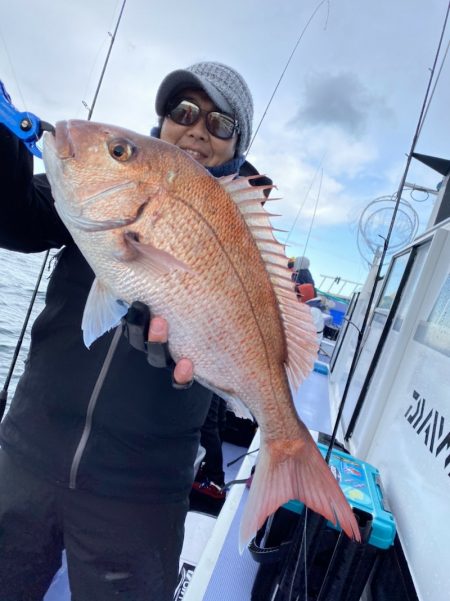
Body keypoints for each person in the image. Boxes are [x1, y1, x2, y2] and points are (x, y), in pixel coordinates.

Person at [0, 61, 270, 601]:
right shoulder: (104, 183)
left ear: (238, 143)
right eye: (184, 111)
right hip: (25, 452)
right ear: (162, 120)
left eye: (219, 124)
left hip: (141, 493)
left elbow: (249, 332)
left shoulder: (246, 238)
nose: (196, 128)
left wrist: (188, 361)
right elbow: (12, 216)